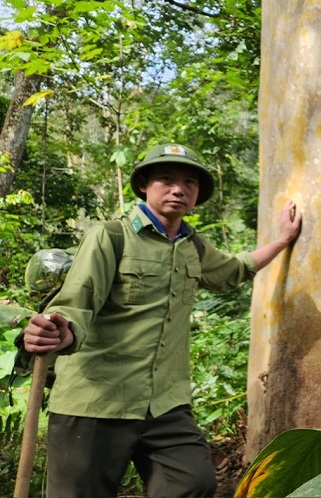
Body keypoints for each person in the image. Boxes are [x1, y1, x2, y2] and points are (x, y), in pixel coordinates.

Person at [21, 143, 302, 497]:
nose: (178, 189)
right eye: (166, 179)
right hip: (96, 400)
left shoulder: (194, 247)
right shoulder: (111, 236)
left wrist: (283, 240)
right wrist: (61, 331)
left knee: (193, 481)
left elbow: (236, 268)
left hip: (164, 404)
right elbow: (78, 302)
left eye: (189, 183)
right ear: (144, 185)